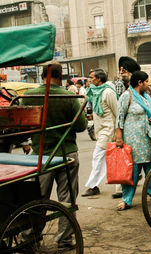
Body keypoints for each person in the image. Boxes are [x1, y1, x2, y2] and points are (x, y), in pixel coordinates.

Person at [22, 61, 87, 251]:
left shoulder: (29, 96)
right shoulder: (67, 96)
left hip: (40, 156)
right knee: (66, 199)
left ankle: (30, 238)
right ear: (60, 76)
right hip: (66, 154)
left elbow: (23, 124)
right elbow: (82, 125)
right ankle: (65, 240)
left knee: (38, 198)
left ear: (42, 75)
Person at [114, 71, 151, 211]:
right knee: (131, 172)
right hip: (133, 141)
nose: (148, 84)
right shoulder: (126, 96)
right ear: (139, 83)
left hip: (148, 139)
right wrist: (119, 137)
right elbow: (119, 117)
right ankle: (126, 200)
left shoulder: (146, 97)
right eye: (146, 82)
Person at [82, 69, 118, 197]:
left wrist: (118, 131)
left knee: (98, 157)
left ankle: (93, 186)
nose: (90, 80)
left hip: (109, 130)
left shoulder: (108, 92)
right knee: (114, 159)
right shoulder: (95, 92)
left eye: (92, 78)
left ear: (99, 79)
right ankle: (121, 186)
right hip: (100, 130)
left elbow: (117, 112)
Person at [111, 56, 141, 199]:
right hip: (126, 129)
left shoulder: (140, 87)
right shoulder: (121, 88)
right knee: (125, 160)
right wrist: (119, 132)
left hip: (141, 132)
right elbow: (120, 112)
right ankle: (123, 191)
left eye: (124, 70)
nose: (121, 72)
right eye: (121, 69)